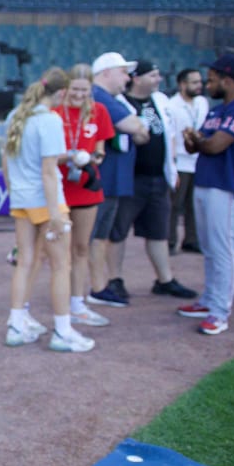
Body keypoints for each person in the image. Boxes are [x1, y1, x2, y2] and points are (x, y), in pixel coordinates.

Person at [2, 67, 94, 352]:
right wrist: (56, 215)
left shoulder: (16, 115)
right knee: (61, 266)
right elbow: (49, 171)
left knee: (25, 262)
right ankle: (63, 332)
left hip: (22, 199)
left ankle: (16, 325)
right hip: (46, 201)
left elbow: (5, 160)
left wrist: (13, 192)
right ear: (62, 92)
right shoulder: (50, 120)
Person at [109, 60, 197, 302]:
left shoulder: (161, 101)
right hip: (130, 179)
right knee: (117, 231)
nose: (158, 79)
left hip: (158, 177)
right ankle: (114, 279)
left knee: (159, 231)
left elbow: (170, 135)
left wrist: (173, 169)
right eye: (153, 75)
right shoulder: (120, 103)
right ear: (137, 78)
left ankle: (164, 279)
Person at [178, 53, 234, 336]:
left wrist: (199, 141)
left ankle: (220, 312)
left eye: (212, 80)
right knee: (208, 248)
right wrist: (193, 139)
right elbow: (196, 146)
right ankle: (208, 300)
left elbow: (215, 146)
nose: (207, 85)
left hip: (227, 186)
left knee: (223, 250)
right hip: (206, 181)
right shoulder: (217, 111)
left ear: (228, 80)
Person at [51, 63, 114, 327]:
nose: (78, 95)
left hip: (87, 188)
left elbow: (101, 149)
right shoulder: (54, 112)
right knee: (54, 252)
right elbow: (46, 155)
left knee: (80, 248)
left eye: (84, 90)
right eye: (74, 89)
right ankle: (55, 308)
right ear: (66, 88)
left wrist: (92, 158)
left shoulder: (99, 111)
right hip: (57, 190)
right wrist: (69, 157)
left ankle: (77, 304)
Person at [86, 52, 149, 308]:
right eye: (123, 72)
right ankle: (84, 289)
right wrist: (138, 128)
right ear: (106, 73)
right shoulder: (98, 96)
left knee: (99, 237)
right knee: (88, 237)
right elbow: (135, 127)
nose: (128, 78)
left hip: (110, 181)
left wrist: (139, 128)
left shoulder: (112, 99)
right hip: (99, 180)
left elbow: (142, 131)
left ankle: (99, 286)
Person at [168, 68, 209, 255]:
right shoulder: (172, 105)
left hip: (199, 160)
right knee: (175, 204)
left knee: (194, 204)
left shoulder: (202, 102)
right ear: (182, 84)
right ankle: (170, 240)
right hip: (180, 161)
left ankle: (192, 240)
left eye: (200, 82)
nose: (199, 86)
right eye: (194, 82)